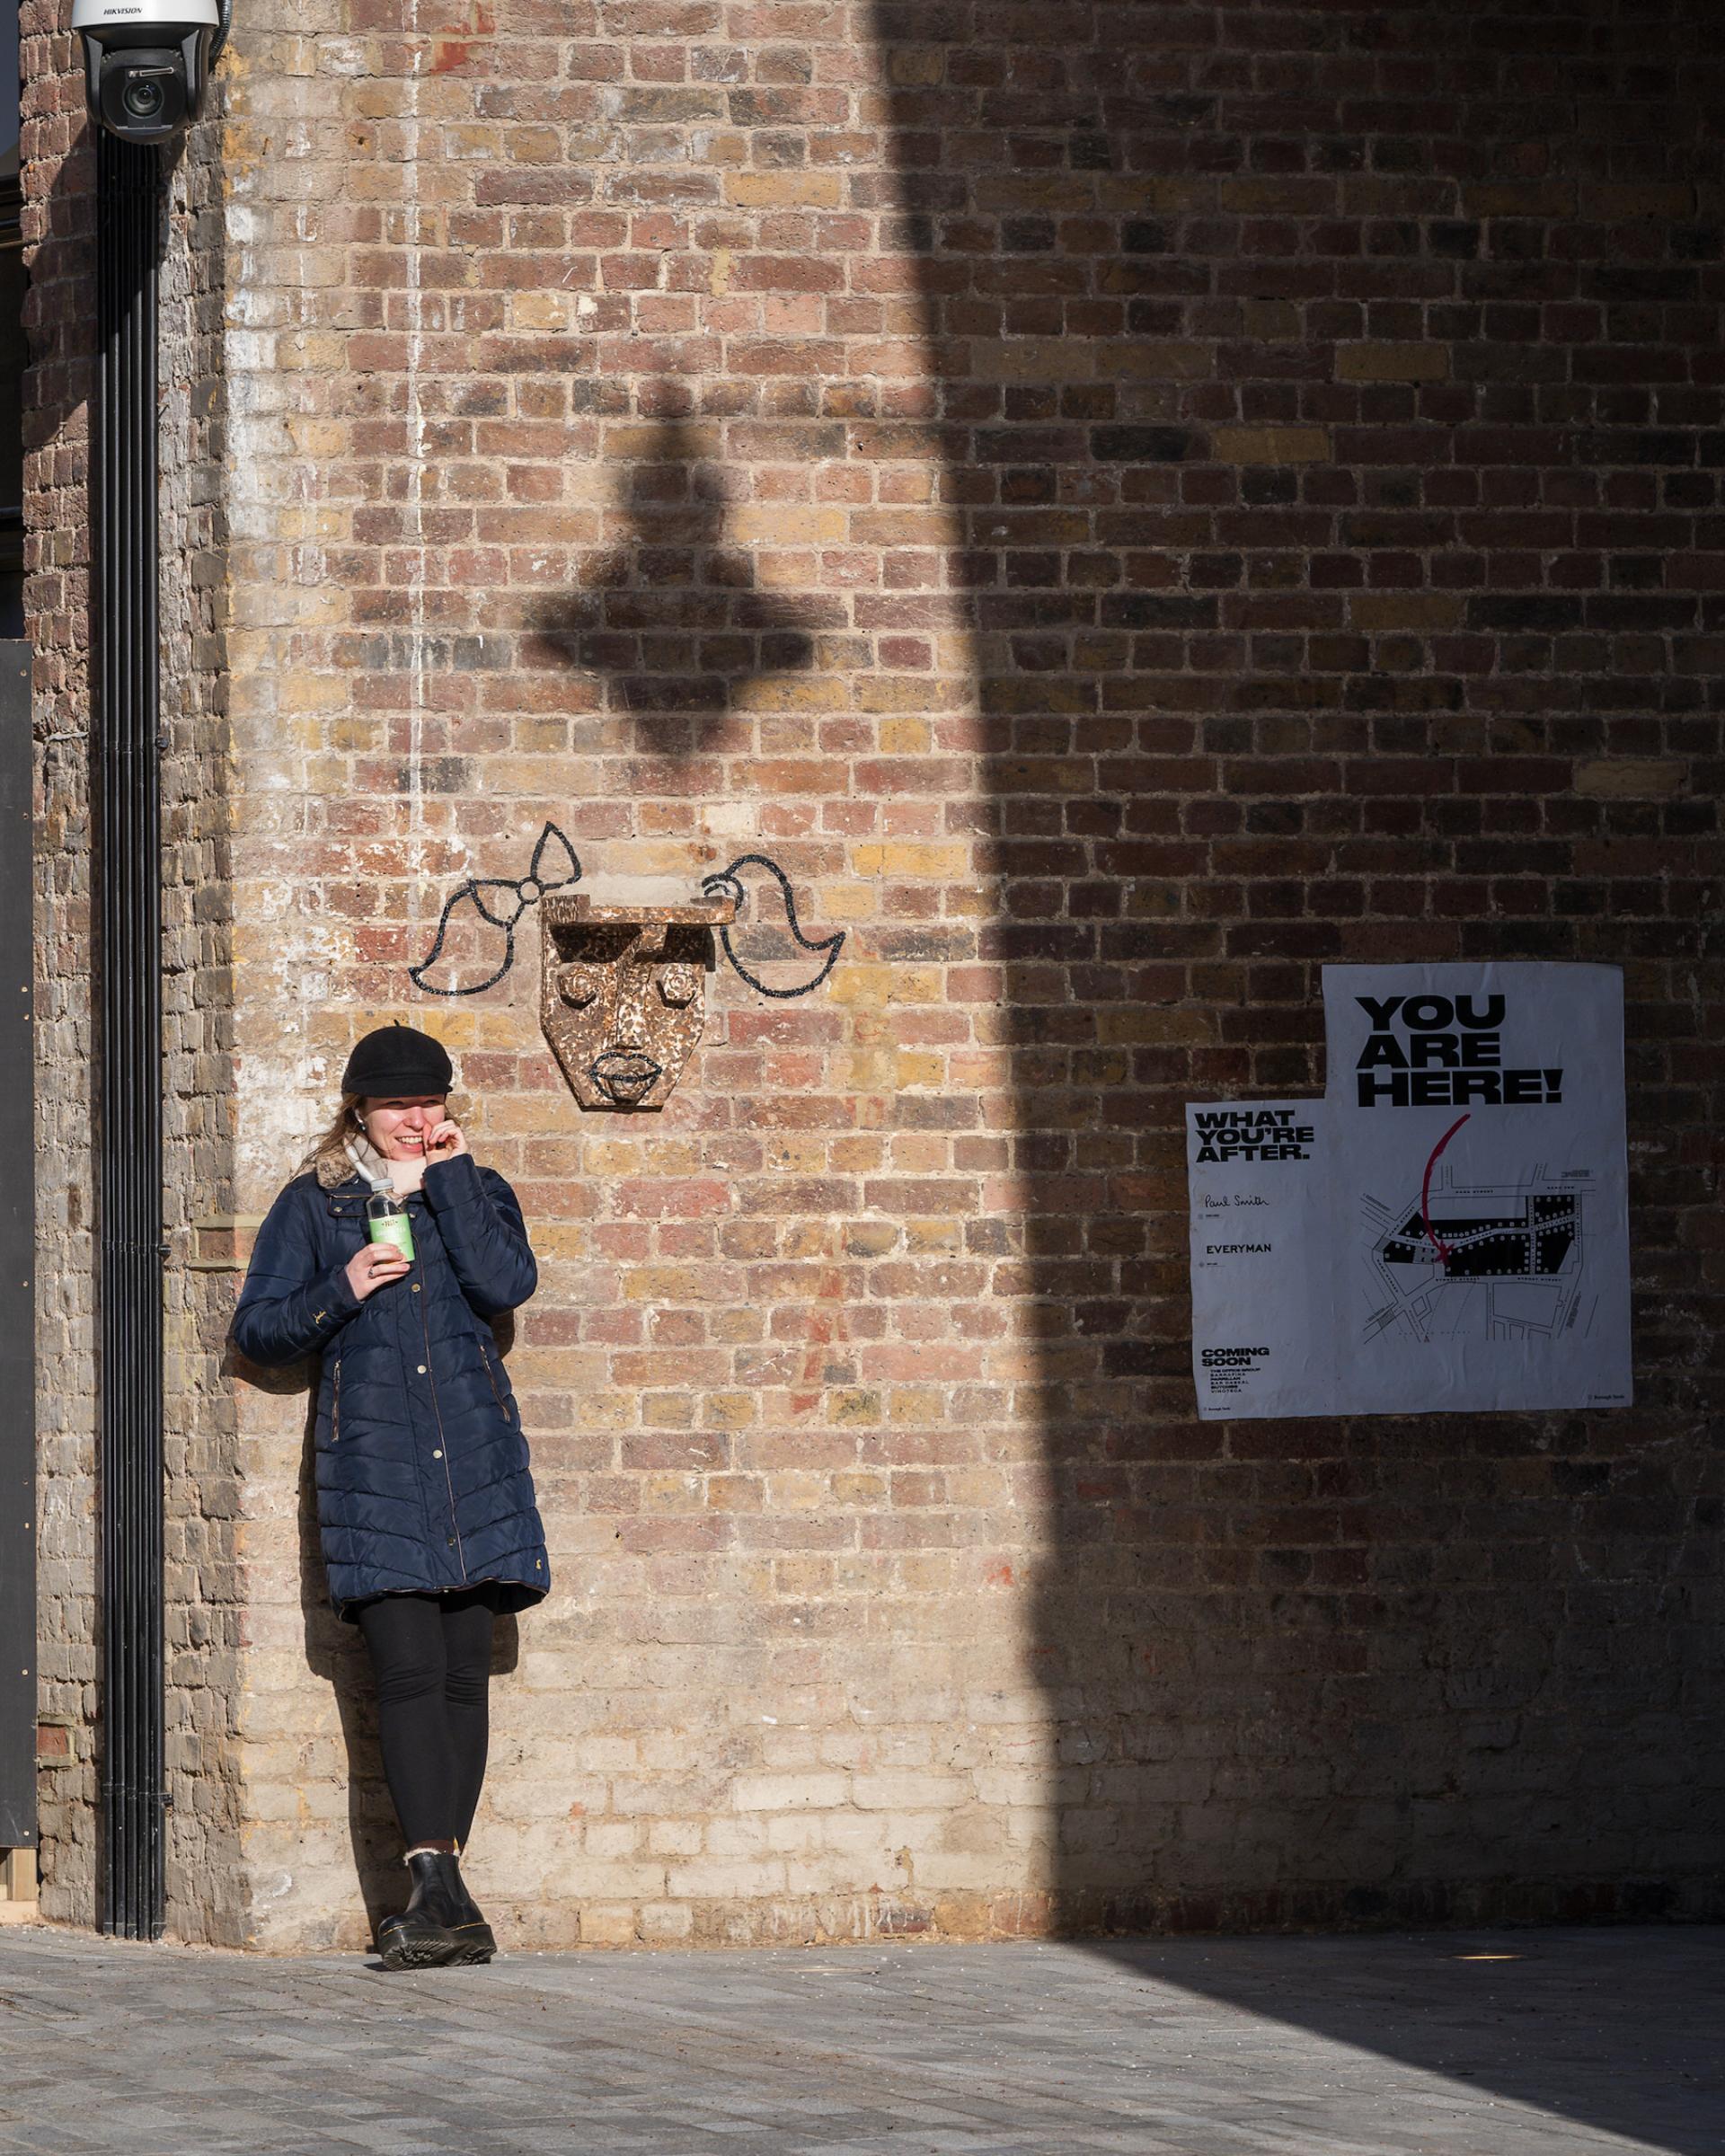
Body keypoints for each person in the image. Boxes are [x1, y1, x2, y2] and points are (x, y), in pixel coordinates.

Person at [232, 1023, 549, 1968]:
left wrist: (449, 1182)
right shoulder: (319, 1205)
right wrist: (344, 1286)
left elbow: (508, 1283)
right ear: (360, 1112)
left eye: (430, 1103)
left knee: (461, 1678)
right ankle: (443, 1896)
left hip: (473, 1463)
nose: (417, 1120)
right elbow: (260, 1327)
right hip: (376, 1469)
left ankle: (444, 1898)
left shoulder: (478, 1192)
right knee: (406, 1675)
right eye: (399, 1106)